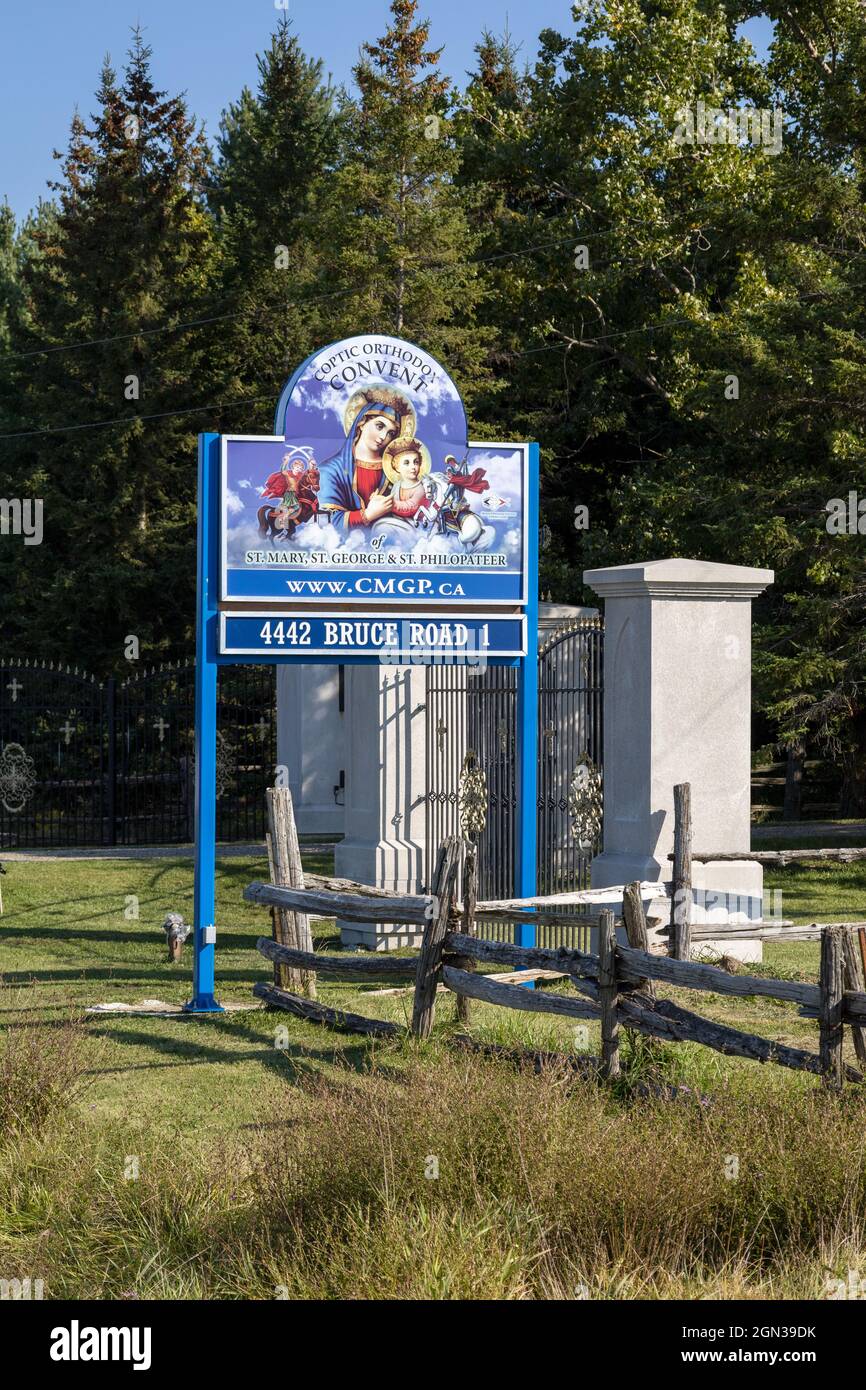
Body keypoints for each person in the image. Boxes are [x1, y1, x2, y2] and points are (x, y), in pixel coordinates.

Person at [317, 388, 414, 529]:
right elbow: (324, 522)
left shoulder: (395, 472)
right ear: (362, 422)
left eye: (390, 433)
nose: (383, 437)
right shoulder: (330, 470)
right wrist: (368, 515)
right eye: (379, 426)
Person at [382, 438, 429, 520]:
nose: (413, 467)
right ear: (397, 467)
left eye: (416, 462)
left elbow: (410, 507)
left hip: (413, 524)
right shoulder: (397, 485)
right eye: (406, 463)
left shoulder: (420, 488)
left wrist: (391, 503)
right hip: (397, 520)